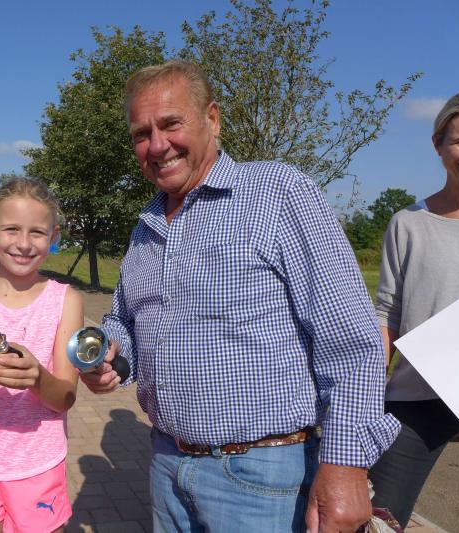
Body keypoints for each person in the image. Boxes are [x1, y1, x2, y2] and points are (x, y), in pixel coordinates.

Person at [80, 61, 398, 533]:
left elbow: (350, 340)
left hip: (263, 477)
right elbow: (126, 320)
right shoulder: (146, 226)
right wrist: (110, 355)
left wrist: (346, 466)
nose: (157, 145)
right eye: (141, 134)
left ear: (212, 119)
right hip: (167, 463)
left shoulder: (278, 193)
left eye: (171, 124)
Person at [368, 89, 459, 528]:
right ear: (438, 145)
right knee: (377, 517)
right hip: (417, 397)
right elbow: (387, 314)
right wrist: (367, 392)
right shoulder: (408, 223)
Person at [0, 177, 83, 532]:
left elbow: (64, 398)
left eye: (37, 232)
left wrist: (38, 378)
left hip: (38, 467)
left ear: (53, 237)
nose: (23, 243)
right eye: (11, 230)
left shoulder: (66, 301)